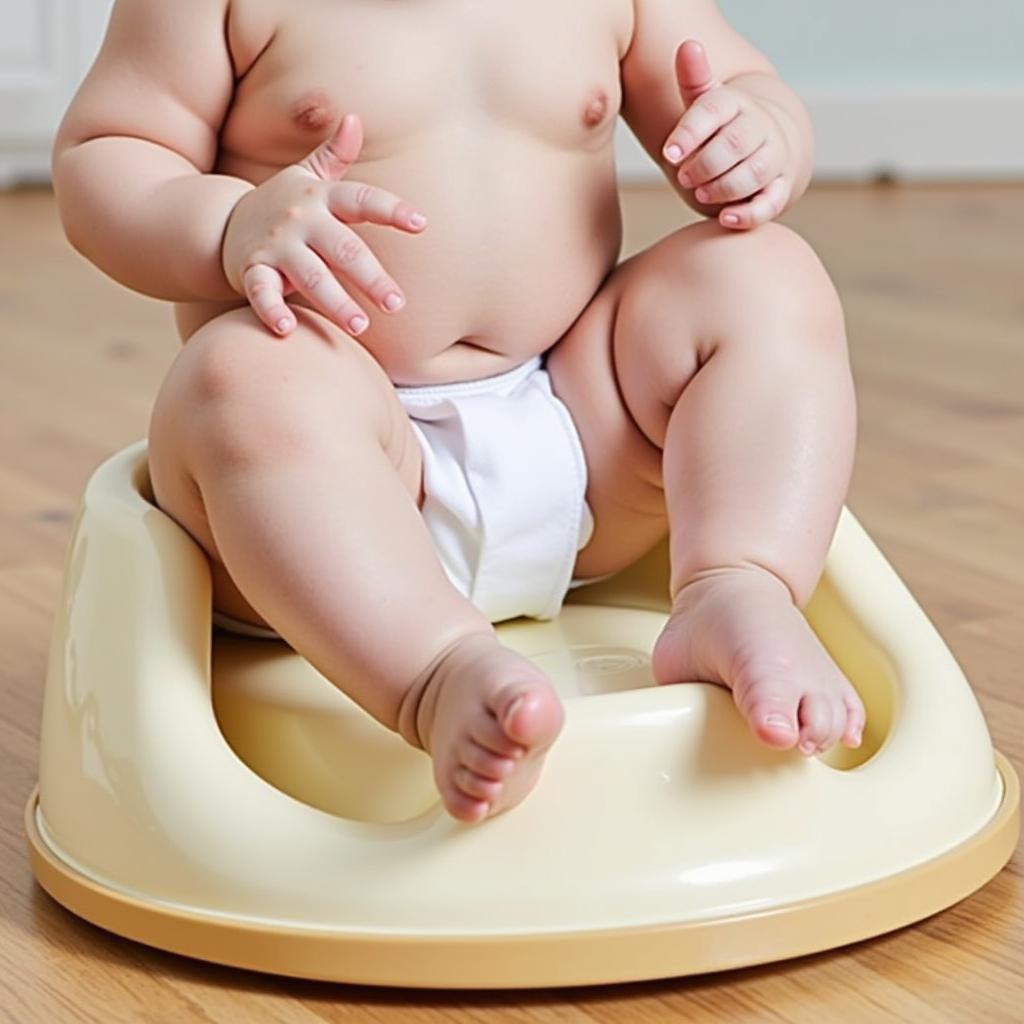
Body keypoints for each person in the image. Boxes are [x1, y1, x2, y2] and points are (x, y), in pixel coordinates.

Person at [52, 0, 865, 824]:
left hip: (581, 429)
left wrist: (759, 134)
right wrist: (226, 224)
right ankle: (436, 676)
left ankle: (736, 583)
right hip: (333, 476)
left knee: (766, 274)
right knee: (238, 376)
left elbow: (742, 83)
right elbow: (108, 156)